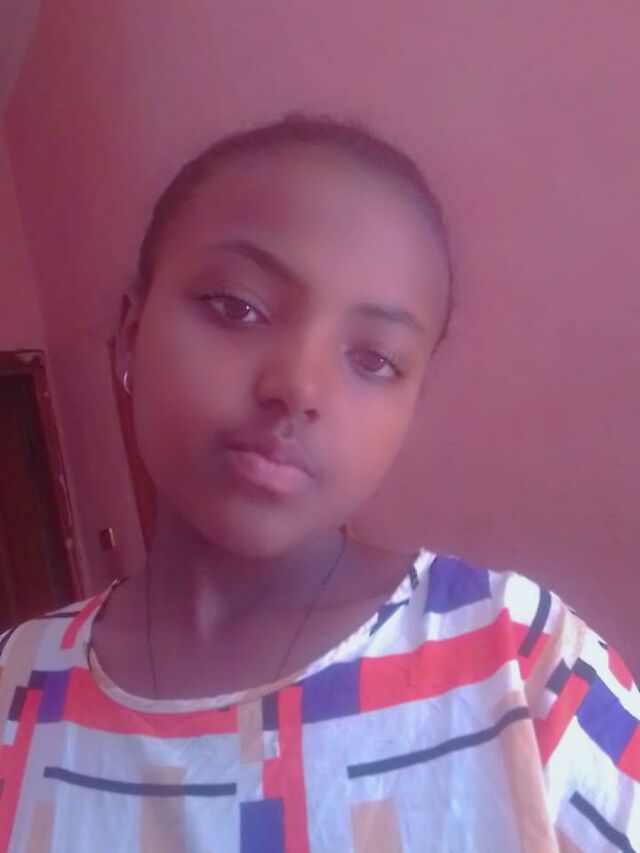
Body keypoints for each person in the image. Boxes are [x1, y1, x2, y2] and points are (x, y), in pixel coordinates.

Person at [0, 114, 637, 853]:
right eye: (237, 306)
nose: (298, 387)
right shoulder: (14, 684)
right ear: (132, 334)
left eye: (374, 359)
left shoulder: (520, 659)